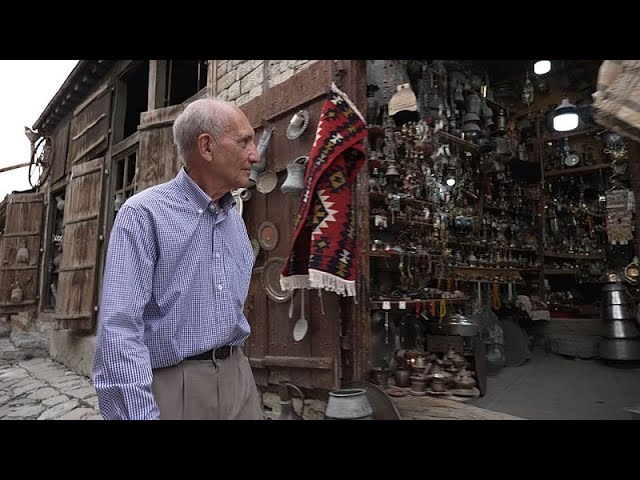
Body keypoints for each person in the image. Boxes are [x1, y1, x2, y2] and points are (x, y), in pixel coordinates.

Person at [92, 97, 264, 420]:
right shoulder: (143, 215)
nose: (254, 154)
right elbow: (119, 333)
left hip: (239, 381)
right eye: (244, 142)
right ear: (207, 147)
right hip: (175, 388)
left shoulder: (234, 220)